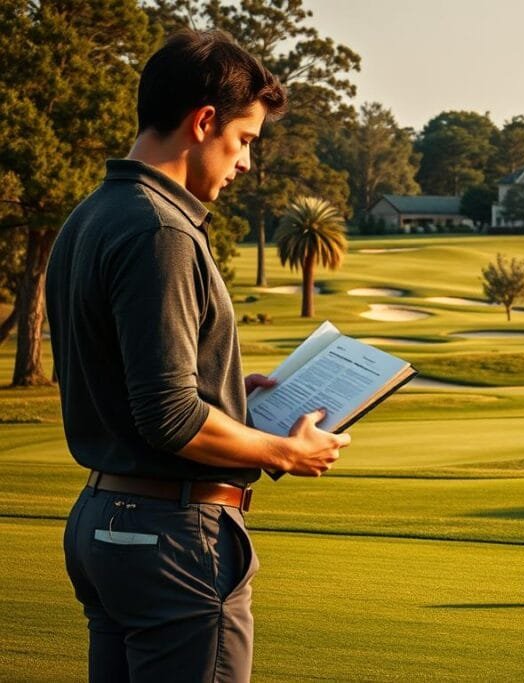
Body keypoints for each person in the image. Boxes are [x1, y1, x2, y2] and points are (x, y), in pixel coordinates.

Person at [45, 29, 349, 682]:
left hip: (104, 524)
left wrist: (227, 385)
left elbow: (127, 379)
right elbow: (169, 415)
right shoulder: (161, 230)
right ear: (204, 120)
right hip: (172, 539)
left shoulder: (93, 214)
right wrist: (283, 452)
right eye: (243, 140)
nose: (244, 163)